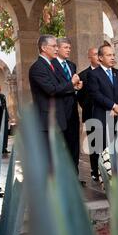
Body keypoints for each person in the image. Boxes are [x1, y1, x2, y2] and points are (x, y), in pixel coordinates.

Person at [29, 35, 82, 166]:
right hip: (48, 119)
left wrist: (74, 87)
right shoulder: (38, 67)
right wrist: (71, 83)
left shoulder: (49, 65)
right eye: (53, 46)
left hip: (58, 117)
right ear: (43, 48)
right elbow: (51, 89)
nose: (56, 49)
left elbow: (58, 87)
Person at [87, 44, 118, 164]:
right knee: (104, 149)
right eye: (109, 55)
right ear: (100, 58)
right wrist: (113, 106)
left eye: (113, 55)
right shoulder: (93, 74)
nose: (113, 57)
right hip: (102, 116)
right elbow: (96, 94)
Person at [51, 37, 84, 177]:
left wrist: (77, 88)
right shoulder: (50, 65)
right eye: (66, 47)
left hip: (72, 111)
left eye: (69, 48)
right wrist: (72, 83)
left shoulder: (71, 65)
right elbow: (55, 88)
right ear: (57, 48)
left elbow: (71, 86)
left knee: (74, 145)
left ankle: (74, 175)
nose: (69, 50)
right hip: (58, 111)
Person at [78, 47, 101, 181]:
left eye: (99, 54)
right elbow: (80, 97)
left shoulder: (106, 72)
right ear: (89, 57)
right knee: (94, 143)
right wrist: (88, 107)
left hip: (106, 113)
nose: (98, 56)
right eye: (95, 54)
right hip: (91, 114)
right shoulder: (83, 75)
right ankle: (94, 170)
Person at [0, 82, 10, 154]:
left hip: (4, 117)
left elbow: (5, 107)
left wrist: (7, 116)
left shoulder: (2, 96)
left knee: (5, 133)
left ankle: (4, 148)